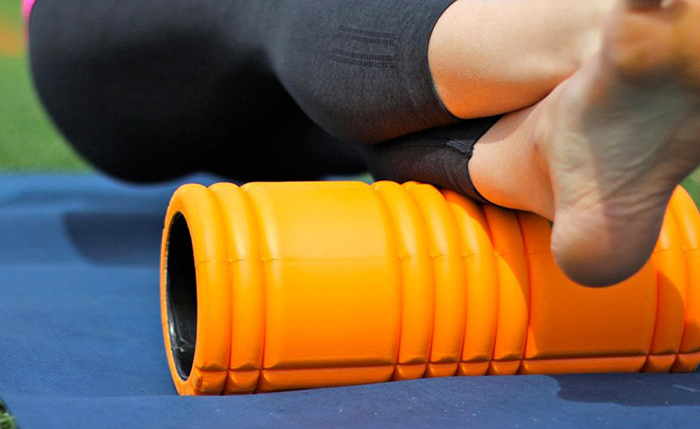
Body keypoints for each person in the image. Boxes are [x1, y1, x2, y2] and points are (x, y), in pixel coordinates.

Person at [25, 0, 700, 286]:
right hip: (118, 46)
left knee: (398, 107)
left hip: (330, 94)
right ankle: (603, 36)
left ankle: (544, 154)